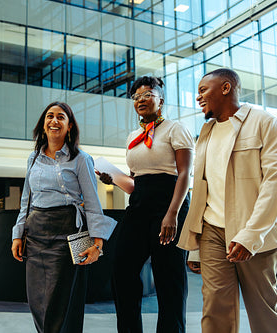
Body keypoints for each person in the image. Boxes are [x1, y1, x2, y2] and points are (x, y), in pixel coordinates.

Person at [177, 68, 277, 333]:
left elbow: (274, 182)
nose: (198, 97)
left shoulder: (263, 122)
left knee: (263, 310)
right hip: (212, 232)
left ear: (226, 88)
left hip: (254, 231)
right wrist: (195, 246)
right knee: (215, 309)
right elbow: (201, 189)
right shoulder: (205, 133)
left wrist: (250, 235)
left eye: (203, 90)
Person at [98, 76, 194, 332]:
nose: (141, 100)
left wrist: (172, 214)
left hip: (170, 202)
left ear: (160, 100)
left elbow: (184, 174)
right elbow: (135, 182)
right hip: (139, 204)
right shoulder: (134, 136)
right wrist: (114, 180)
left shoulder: (175, 128)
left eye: (147, 94)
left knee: (168, 277)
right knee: (121, 269)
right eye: (136, 97)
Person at [11, 101, 117, 333]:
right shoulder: (33, 158)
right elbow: (26, 200)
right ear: (43, 124)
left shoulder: (81, 159)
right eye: (50, 116)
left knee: (58, 302)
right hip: (36, 233)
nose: (54, 121)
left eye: (61, 117)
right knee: (37, 301)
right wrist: (17, 234)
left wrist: (98, 243)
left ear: (69, 127)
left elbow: (91, 203)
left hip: (66, 231)